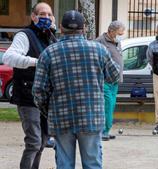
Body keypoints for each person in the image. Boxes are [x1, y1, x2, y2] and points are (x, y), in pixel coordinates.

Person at [32, 10, 119, 169]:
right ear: (84, 28)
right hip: (92, 116)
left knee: (64, 164)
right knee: (92, 164)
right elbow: (114, 77)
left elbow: (38, 91)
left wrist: (50, 111)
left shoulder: (48, 53)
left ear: (60, 27)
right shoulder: (99, 50)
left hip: (61, 118)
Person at [2, 2, 56, 169]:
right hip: (28, 96)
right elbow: (9, 58)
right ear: (33, 17)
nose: (46, 17)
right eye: (42, 14)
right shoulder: (24, 35)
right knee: (34, 142)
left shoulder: (51, 37)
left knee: (42, 142)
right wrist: (36, 62)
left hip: (45, 98)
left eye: (49, 14)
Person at [95, 21, 125, 141]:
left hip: (115, 80)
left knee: (111, 106)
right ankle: (102, 131)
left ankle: (106, 130)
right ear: (111, 31)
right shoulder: (99, 41)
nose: (119, 36)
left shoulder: (117, 42)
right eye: (118, 33)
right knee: (106, 105)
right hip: (105, 80)